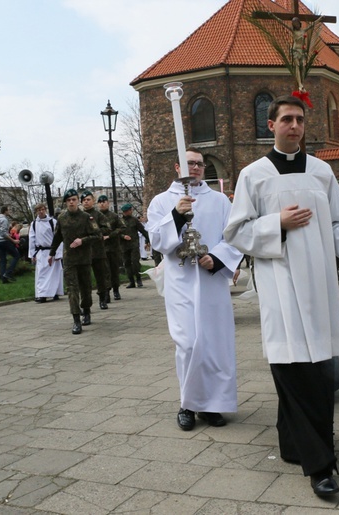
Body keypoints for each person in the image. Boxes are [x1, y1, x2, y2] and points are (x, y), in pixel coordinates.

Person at [224, 95, 339, 497]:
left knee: (316, 374)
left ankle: (295, 444)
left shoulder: (322, 171)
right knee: (294, 372)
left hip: (320, 285)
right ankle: (321, 465)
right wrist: (278, 223)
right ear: (270, 125)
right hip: (281, 288)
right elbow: (236, 231)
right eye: (286, 119)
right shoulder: (253, 175)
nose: (294, 125)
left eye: (299, 120)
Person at [147, 148, 244, 432]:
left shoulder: (219, 200)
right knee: (188, 343)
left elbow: (233, 235)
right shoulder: (162, 200)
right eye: (190, 163)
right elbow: (156, 239)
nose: (196, 167)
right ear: (178, 166)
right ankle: (188, 403)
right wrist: (176, 216)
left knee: (214, 343)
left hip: (211, 281)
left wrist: (216, 258)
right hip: (180, 280)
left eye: (200, 164)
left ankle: (212, 404)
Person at [49, 189, 100, 334]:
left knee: (85, 287)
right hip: (69, 258)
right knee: (72, 289)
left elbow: (97, 235)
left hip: (84, 258)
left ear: (78, 201)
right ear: (66, 203)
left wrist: (82, 241)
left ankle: (87, 311)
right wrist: (51, 253)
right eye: (68, 200)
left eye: (73, 199)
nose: (71, 202)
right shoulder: (62, 218)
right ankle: (76, 320)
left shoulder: (86, 217)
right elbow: (57, 237)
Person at [81, 191, 111, 309]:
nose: (86, 202)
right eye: (84, 200)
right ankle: (86, 303)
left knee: (101, 277)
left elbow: (107, 228)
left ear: (93, 201)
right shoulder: (80, 215)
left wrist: (97, 233)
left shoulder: (98, 215)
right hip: (84, 253)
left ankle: (102, 299)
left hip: (98, 250)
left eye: (88, 199)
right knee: (84, 279)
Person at [28, 203, 63, 303]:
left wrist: (58, 253)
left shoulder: (53, 222)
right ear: (36, 212)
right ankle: (42, 294)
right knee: (42, 274)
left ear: (45, 210)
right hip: (41, 252)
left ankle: (55, 292)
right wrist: (32, 254)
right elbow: (32, 239)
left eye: (42, 209)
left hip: (52, 251)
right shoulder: (34, 224)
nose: (41, 211)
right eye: (38, 210)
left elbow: (58, 238)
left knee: (54, 274)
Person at [97, 195, 125, 301]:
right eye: (100, 202)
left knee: (114, 270)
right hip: (101, 248)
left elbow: (122, 227)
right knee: (104, 271)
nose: (102, 203)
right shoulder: (96, 217)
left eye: (104, 201)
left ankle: (116, 290)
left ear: (108, 203)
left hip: (113, 247)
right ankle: (106, 292)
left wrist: (111, 235)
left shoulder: (114, 216)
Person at [121, 204, 149, 288]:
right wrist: (123, 236)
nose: (127, 212)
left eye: (128, 211)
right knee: (127, 263)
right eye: (125, 211)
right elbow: (117, 233)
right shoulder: (120, 221)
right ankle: (131, 281)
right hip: (124, 246)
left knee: (135, 262)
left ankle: (138, 279)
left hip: (134, 245)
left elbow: (143, 230)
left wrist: (148, 240)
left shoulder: (134, 220)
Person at [0, 206, 21, 283]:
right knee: (16, 255)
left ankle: (4, 279)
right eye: (9, 210)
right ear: (5, 211)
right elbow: (4, 233)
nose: (10, 211)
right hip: (4, 241)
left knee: (3, 261)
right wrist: (14, 241)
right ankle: (8, 273)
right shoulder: (4, 219)